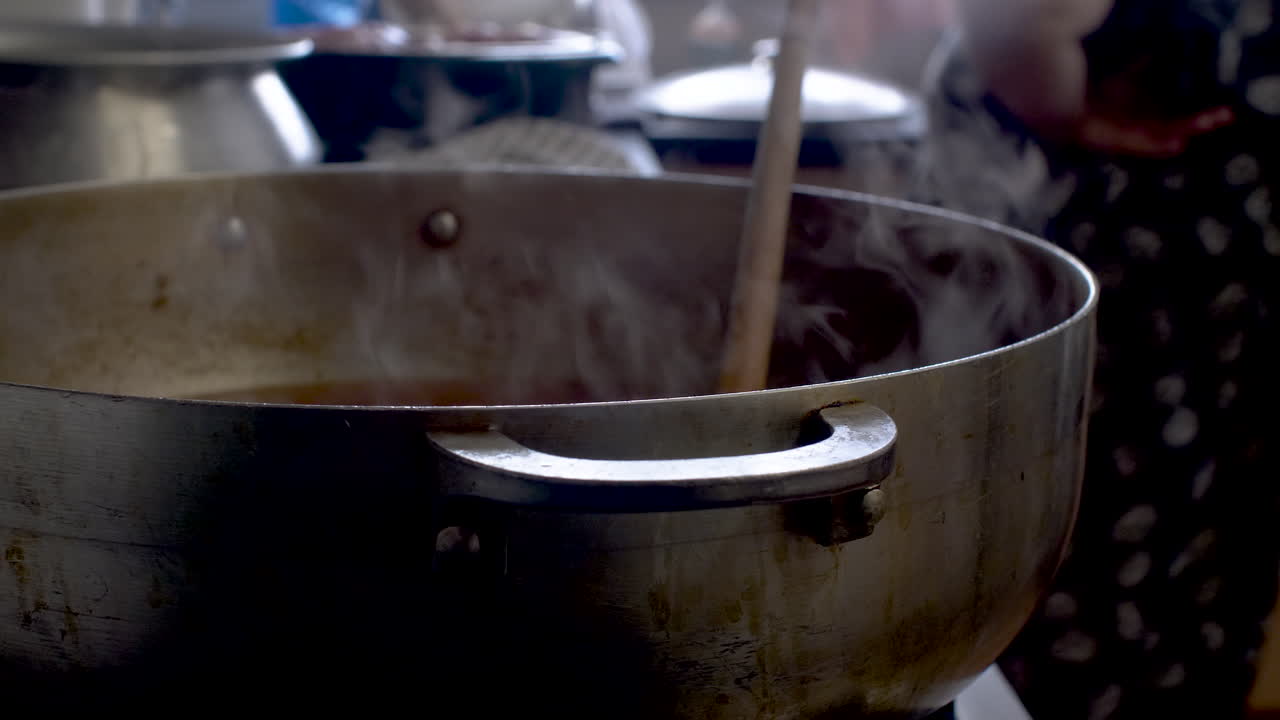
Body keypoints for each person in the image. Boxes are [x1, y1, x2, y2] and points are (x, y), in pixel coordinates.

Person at [923, 0, 1280, 717]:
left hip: (1162, 201)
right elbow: (1020, 27)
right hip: (1131, 185)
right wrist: (1043, 79)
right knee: (1127, 563)